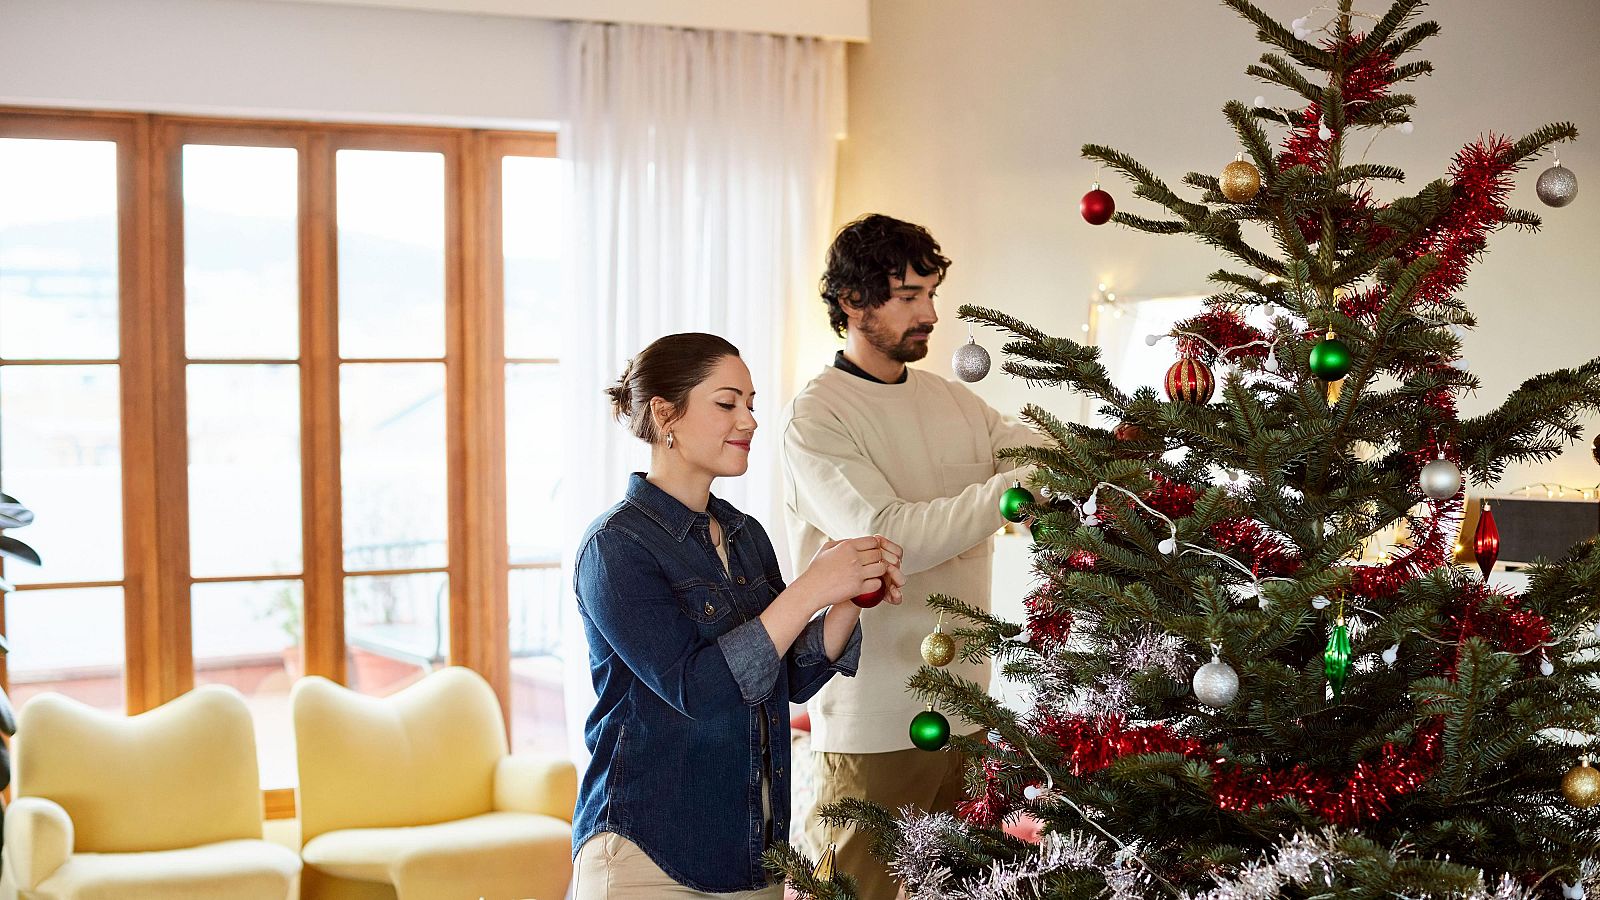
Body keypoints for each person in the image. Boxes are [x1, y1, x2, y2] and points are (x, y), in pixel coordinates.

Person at [571, 332, 905, 899]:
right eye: (727, 403)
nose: (749, 420)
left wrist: (846, 597)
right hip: (647, 856)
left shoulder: (747, 535)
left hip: (755, 858)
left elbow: (789, 678)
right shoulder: (615, 547)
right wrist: (807, 590)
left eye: (751, 403)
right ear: (664, 414)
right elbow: (699, 690)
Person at [780, 215, 1042, 899]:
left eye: (932, 292)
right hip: (874, 721)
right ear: (850, 301)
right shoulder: (818, 416)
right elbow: (888, 538)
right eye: (907, 296)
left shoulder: (957, 402)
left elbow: (1043, 456)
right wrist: (1012, 492)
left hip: (972, 712)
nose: (930, 312)